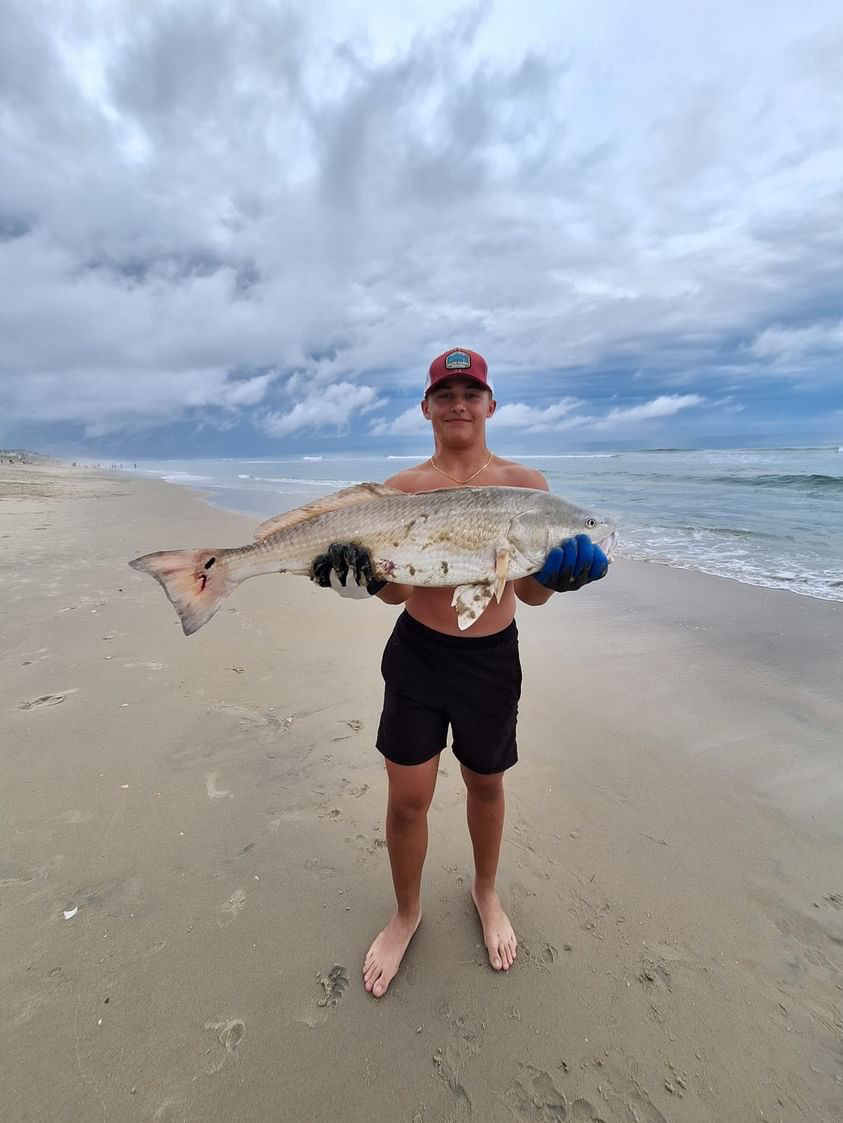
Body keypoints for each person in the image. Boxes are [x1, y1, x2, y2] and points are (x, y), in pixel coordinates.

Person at [311, 347, 608, 998]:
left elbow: (527, 595)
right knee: (408, 796)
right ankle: (406, 911)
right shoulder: (401, 489)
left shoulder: (527, 486)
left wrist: (559, 578)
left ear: (490, 404)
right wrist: (357, 579)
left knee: (485, 784)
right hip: (418, 654)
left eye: (469, 391)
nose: (457, 403)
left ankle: (484, 891)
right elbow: (392, 594)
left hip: (490, 662)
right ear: (425, 408)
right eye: (444, 393)